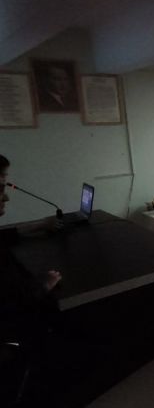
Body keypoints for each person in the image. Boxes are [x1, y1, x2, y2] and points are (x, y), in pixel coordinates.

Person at [1, 155, 62, 401]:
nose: (6, 197)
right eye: (0, 189)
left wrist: (38, 225)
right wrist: (42, 286)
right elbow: (14, 303)